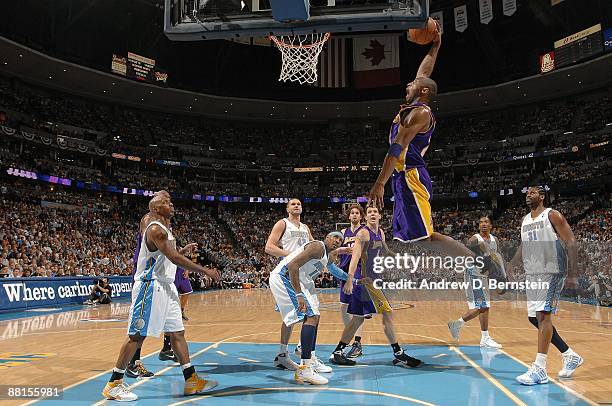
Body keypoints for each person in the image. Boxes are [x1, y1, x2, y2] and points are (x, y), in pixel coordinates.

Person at [102, 194, 221, 401]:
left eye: (170, 201)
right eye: (166, 203)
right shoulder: (155, 228)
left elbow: (169, 256)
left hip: (166, 287)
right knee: (137, 335)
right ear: (156, 209)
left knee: (177, 333)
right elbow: (173, 257)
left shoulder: (164, 229)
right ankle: (114, 383)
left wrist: (182, 250)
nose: (171, 204)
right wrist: (205, 271)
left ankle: (191, 379)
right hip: (150, 286)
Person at [330, 205, 423, 368]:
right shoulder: (363, 234)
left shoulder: (380, 233)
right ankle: (398, 353)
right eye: (369, 212)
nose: (373, 214)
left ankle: (338, 352)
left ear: (380, 216)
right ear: (365, 218)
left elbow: (386, 252)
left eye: (375, 212)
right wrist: (350, 280)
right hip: (366, 281)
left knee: (357, 320)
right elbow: (355, 257)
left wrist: (402, 259)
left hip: (372, 280)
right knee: (387, 313)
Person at [509, 186, 583, 385]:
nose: (528, 195)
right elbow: (524, 245)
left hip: (551, 270)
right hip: (532, 273)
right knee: (534, 318)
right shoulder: (525, 220)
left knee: (543, 315)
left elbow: (571, 242)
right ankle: (570, 355)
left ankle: (540, 368)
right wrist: (511, 265)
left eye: (532, 192)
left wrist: (572, 273)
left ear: (542, 196)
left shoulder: (552, 215)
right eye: (527, 193)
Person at [269, 231, 346, 385]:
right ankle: (305, 368)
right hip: (284, 277)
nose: (337, 241)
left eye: (340, 239)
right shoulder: (318, 247)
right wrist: (298, 294)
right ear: (327, 238)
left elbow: (336, 271)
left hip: (298, 281)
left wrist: (354, 280)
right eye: (335, 237)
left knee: (315, 316)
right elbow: (292, 265)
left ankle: (309, 359)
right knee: (310, 316)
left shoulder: (327, 256)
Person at [265, 199, 314, 371]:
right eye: (292, 204)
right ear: (287, 209)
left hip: (303, 275)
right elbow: (269, 247)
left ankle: (284, 354)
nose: (296, 205)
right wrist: (291, 254)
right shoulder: (282, 223)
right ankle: (300, 352)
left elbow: (313, 248)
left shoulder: (305, 228)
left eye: (299, 203)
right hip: (287, 273)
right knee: (307, 314)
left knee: (291, 317)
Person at [447, 216, 503, 349]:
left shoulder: (495, 240)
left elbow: (498, 256)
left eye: (486, 222)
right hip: (474, 273)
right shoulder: (474, 239)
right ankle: (484, 338)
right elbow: (462, 251)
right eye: (481, 222)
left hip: (484, 275)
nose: (483, 224)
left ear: (491, 225)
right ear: (478, 226)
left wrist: (502, 274)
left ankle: (458, 325)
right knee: (482, 306)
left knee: (483, 306)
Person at [338, 204, 366, 358]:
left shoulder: (364, 232)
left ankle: (357, 342)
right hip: (344, 272)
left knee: (356, 311)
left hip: (359, 272)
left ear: (361, 216)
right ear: (348, 216)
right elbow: (333, 251)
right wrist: (341, 250)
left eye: (357, 213)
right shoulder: (343, 233)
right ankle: (351, 336)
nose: (354, 215)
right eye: (352, 213)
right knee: (343, 308)